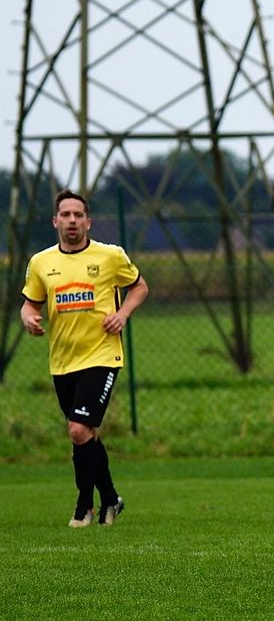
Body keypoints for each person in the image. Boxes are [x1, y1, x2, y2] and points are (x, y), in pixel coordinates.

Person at [21, 189, 149, 528]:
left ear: (88, 222)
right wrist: (28, 317)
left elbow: (139, 287)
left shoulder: (110, 256)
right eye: (66, 215)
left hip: (102, 356)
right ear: (55, 221)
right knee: (86, 433)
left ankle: (84, 505)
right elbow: (30, 303)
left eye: (78, 215)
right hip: (62, 361)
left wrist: (122, 314)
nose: (72, 221)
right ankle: (110, 499)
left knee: (78, 430)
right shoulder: (41, 263)